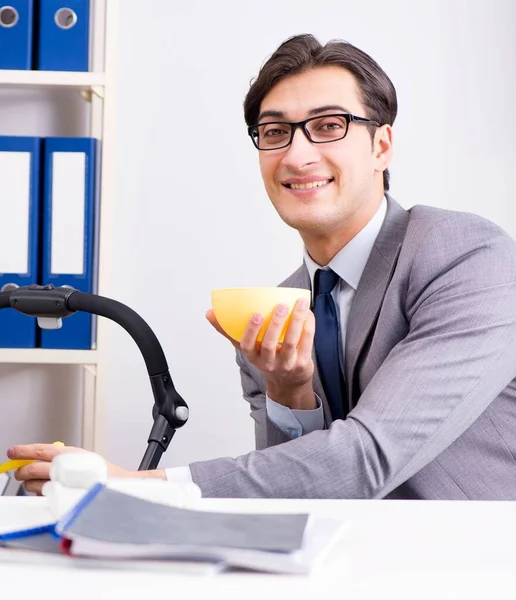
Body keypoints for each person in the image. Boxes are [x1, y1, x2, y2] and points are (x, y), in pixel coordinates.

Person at [8, 33, 516, 500]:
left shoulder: (464, 255)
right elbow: (284, 493)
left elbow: (367, 458)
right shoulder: (274, 311)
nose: (296, 155)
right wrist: (288, 390)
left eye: (327, 126)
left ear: (381, 145)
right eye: (275, 132)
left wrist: (136, 486)